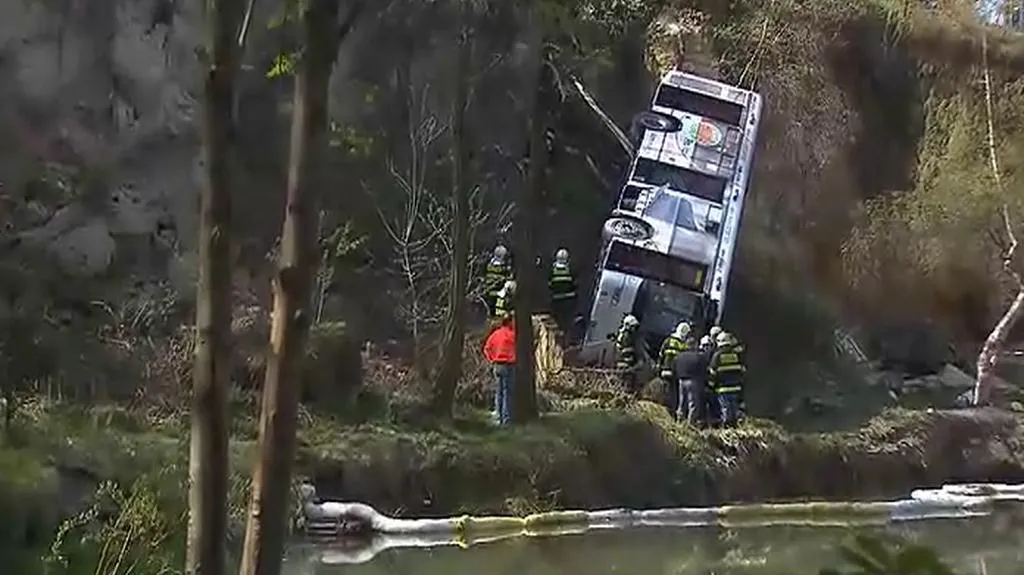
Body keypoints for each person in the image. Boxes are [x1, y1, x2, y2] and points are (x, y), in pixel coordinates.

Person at [483, 314, 517, 425]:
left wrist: (491, 359)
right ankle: (506, 419)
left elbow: (486, 348)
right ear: (510, 322)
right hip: (509, 364)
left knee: (499, 391)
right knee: (508, 392)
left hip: (497, 364)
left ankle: (498, 416)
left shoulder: (495, 334)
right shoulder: (513, 335)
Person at [708, 330, 746, 427]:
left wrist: (710, 386)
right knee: (734, 409)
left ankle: (727, 428)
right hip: (736, 388)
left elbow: (713, 373)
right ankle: (735, 427)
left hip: (723, 388)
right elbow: (742, 371)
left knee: (725, 409)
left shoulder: (717, 356)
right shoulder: (736, 355)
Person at [673, 335, 713, 425]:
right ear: (694, 345)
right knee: (693, 404)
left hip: (681, 381)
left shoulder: (679, 356)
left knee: (682, 402)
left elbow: (674, 368)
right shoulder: (698, 356)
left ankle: (679, 422)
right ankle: (690, 424)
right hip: (693, 381)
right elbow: (703, 370)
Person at [547, 248, 577, 334]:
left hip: (556, 301)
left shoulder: (552, 270)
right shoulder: (570, 269)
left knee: (557, 323)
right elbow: (574, 284)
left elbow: (550, 285)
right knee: (567, 324)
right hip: (569, 302)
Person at [614, 314, 642, 394]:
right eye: (633, 327)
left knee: (622, 383)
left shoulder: (622, 334)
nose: (634, 329)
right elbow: (628, 351)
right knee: (626, 385)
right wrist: (634, 363)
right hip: (626, 365)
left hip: (622, 364)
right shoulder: (627, 336)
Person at [484, 245, 512, 317]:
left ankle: (494, 315)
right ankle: (499, 315)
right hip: (498, 294)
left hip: (490, 294)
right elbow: (506, 279)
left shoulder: (489, 264)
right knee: (499, 310)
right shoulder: (503, 268)